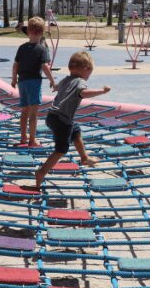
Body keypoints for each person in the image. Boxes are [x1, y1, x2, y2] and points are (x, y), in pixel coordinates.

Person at [34, 51, 108, 187]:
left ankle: (84, 157)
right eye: (90, 72)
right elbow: (83, 93)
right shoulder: (80, 82)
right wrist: (101, 91)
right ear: (86, 69)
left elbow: (57, 87)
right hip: (62, 120)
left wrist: (55, 86)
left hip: (52, 116)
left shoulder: (66, 79)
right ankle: (41, 172)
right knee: (61, 150)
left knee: (76, 130)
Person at [11, 16, 56, 147]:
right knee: (34, 114)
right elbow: (45, 67)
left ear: (28, 32)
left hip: (22, 83)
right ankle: (32, 140)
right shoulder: (42, 49)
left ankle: (23, 137)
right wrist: (52, 81)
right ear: (41, 33)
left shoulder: (22, 48)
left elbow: (15, 65)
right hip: (34, 83)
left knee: (24, 111)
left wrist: (14, 79)